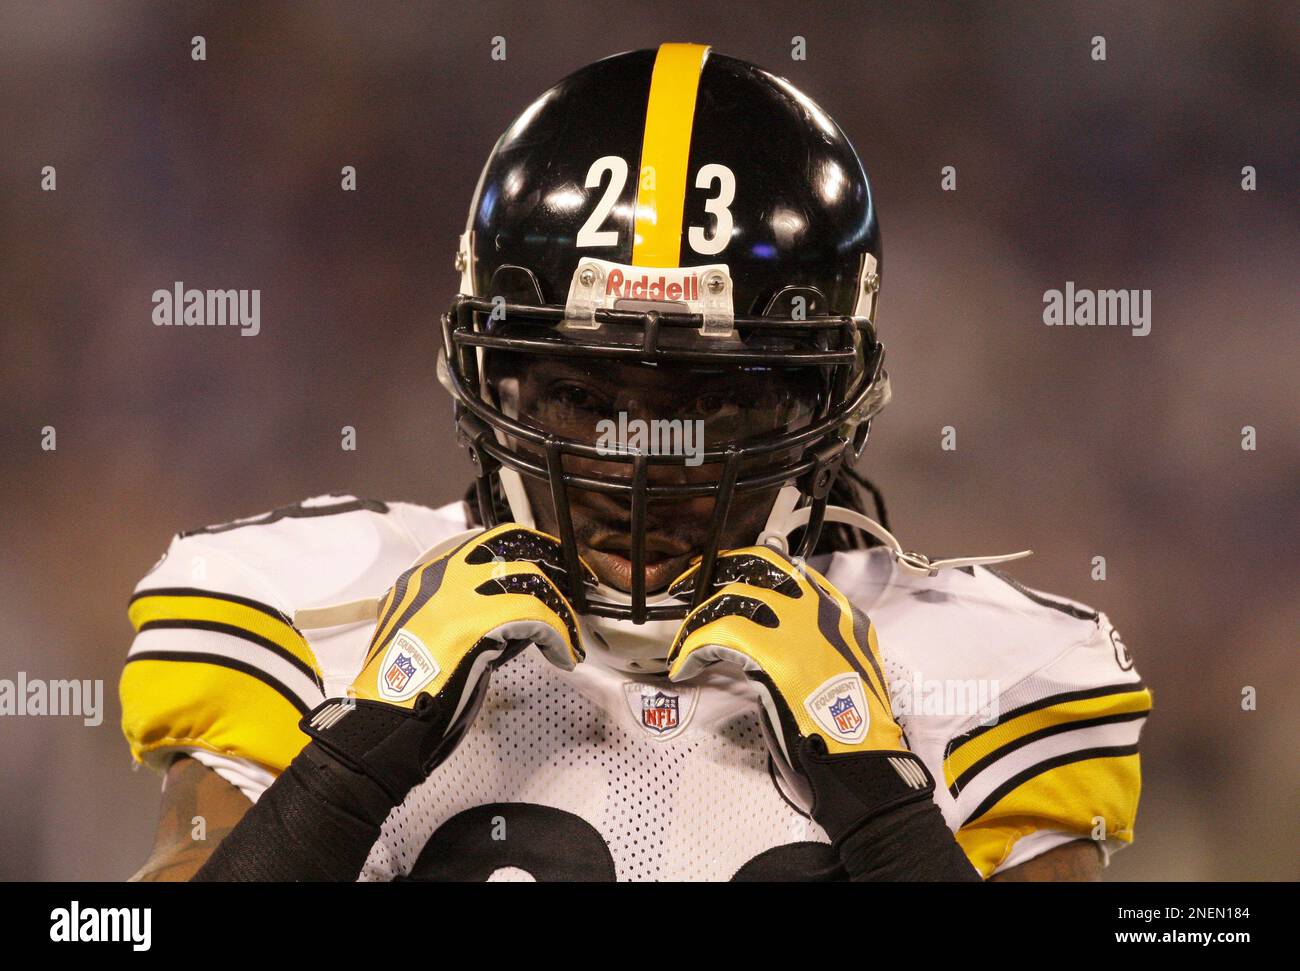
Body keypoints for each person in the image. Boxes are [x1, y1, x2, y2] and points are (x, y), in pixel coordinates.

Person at [122, 44, 1150, 881]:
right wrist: (348, 763)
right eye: (583, 394)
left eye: (716, 404)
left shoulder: (977, 678)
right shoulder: (319, 621)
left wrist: (886, 813)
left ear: (826, 399)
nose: (638, 461)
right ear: (495, 377)